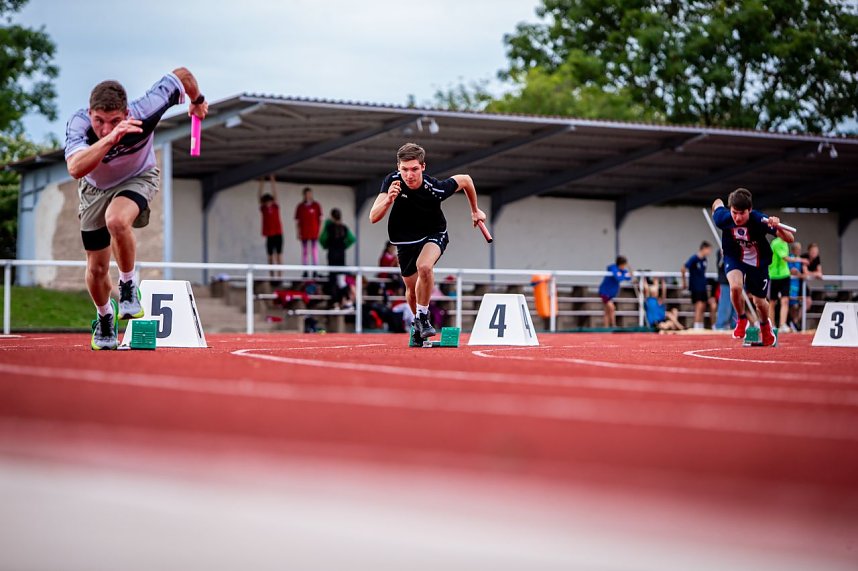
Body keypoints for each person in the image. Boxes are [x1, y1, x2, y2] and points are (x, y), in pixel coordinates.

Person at [64, 68, 208, 350]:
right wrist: (112, 137)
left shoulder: (145, 109)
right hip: (94, 188)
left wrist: (198, 100)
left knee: (116, 221)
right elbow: (74, 168)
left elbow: (182, 75)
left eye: (115, 120)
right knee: (96, 269)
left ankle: (129, 287)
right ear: (90, 112)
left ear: (127, 112)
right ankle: (105, 316)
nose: (105, 127)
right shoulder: (78, 124)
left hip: (138, 177)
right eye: (99, 121)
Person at [369, 142, 486, 342]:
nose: (409, 175)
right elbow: (373, 216)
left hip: (434, 233)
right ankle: (418, 321)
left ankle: (423, 317)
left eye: (414, 169)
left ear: (423, 167)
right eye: (404, 169)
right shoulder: (392, 182)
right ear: (398, 167)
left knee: (424, 267)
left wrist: (475, 210)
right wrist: (388, 200)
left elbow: (466, 180)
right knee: (412, 292)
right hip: (404, 241)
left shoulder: (435, 188)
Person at [712, 188, 794, 346]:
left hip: (758, 261)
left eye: (742, 213)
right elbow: (717, 203)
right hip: (734, 257)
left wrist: (778, 226)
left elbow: (790, 238)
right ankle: (742, 319)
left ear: (750, 210)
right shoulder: (723, 218)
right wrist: (718, 204)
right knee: (735, 287)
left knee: (759, 302)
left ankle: (765, 325)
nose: (737, 217)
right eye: (734, 212)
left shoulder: (760, 220)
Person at [319, 208, 356, 308]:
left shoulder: (329, 227)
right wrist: (344, 246)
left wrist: (326, 245)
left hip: (332, 255)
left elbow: (322, 239)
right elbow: (352, 239)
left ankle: (335, 302)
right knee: (341, 280)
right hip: (341, 256)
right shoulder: (344, 228)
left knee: (332, 279)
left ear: (331, 216)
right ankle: (345, 299)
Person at [681, 241, 712, 329]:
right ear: (704, 248)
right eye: (708, 249)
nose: (709, 252)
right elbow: (683, 268)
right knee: (698, 305)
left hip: (702, 285)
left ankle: (700, 324)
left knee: (703, 306)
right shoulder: (694, 258)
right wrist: (684, 282)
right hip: (695, 285)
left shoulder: (704, 259)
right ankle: (696, 325)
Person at [258, 176, 283, 280]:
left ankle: (279, 277)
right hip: (269, 235)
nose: (268, 204)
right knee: (270, 257)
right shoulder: (263, 208)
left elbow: (275, 194)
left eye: (270, 202)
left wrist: (273, 181)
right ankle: (272, 276)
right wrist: (262, 181)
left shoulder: (275, 207)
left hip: (278, 234)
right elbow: (259, 195)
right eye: (267, 202)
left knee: (278, 256)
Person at [598, 256, 633, 328]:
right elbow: (618, 278)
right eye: (624, 265)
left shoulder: (622, 271)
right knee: (612, 308)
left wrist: (628, 272)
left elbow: (628, 277)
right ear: (620, 264)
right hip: (605, 292)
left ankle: (606, 327)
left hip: (611, 294)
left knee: (607, 311)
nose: (624, 267)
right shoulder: (613, 268)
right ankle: (613, 325)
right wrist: (624, 275)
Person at [295, 187, 323, 274]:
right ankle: (305, 270)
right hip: (304, 232)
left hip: (314, 232)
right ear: (304, 195)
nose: (309, 196)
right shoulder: (300, 207)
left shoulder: (316, 205)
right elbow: (297, 221)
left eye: (310, 194)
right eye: (307, 194)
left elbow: (321, 219)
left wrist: (320, 231)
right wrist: (298, 232)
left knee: (314, 251)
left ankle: (315, 270)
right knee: (305, 251)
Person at [768, 235, 792, 332]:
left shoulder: (785, 243)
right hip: (774, 276)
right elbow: (785, 258)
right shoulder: (776, 243)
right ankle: (772, 324)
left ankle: (783, 324)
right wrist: (801, 260)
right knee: (772, 302)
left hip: (785, 275)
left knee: (785, 300)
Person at [714, 249, 737, 330]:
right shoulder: (721, 250)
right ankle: (721, 324)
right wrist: (723, 256)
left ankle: (735, 324)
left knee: (737, 304)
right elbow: (719, 265)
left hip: (737, 280)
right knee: (725, 303)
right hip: (726, 281)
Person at [787, 241, 807, 331]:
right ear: (793, 250)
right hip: (790, 285)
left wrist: (801, 274)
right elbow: (793, 271)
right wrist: (799, 274)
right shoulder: (790, 258)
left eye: (800, 249)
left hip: (797, 285)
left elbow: (802, 272)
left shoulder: (799, 260)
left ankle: (794, 322)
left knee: (797, 305)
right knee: (792, 304)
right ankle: (792, 322)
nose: (799, 251)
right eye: (798, 249)